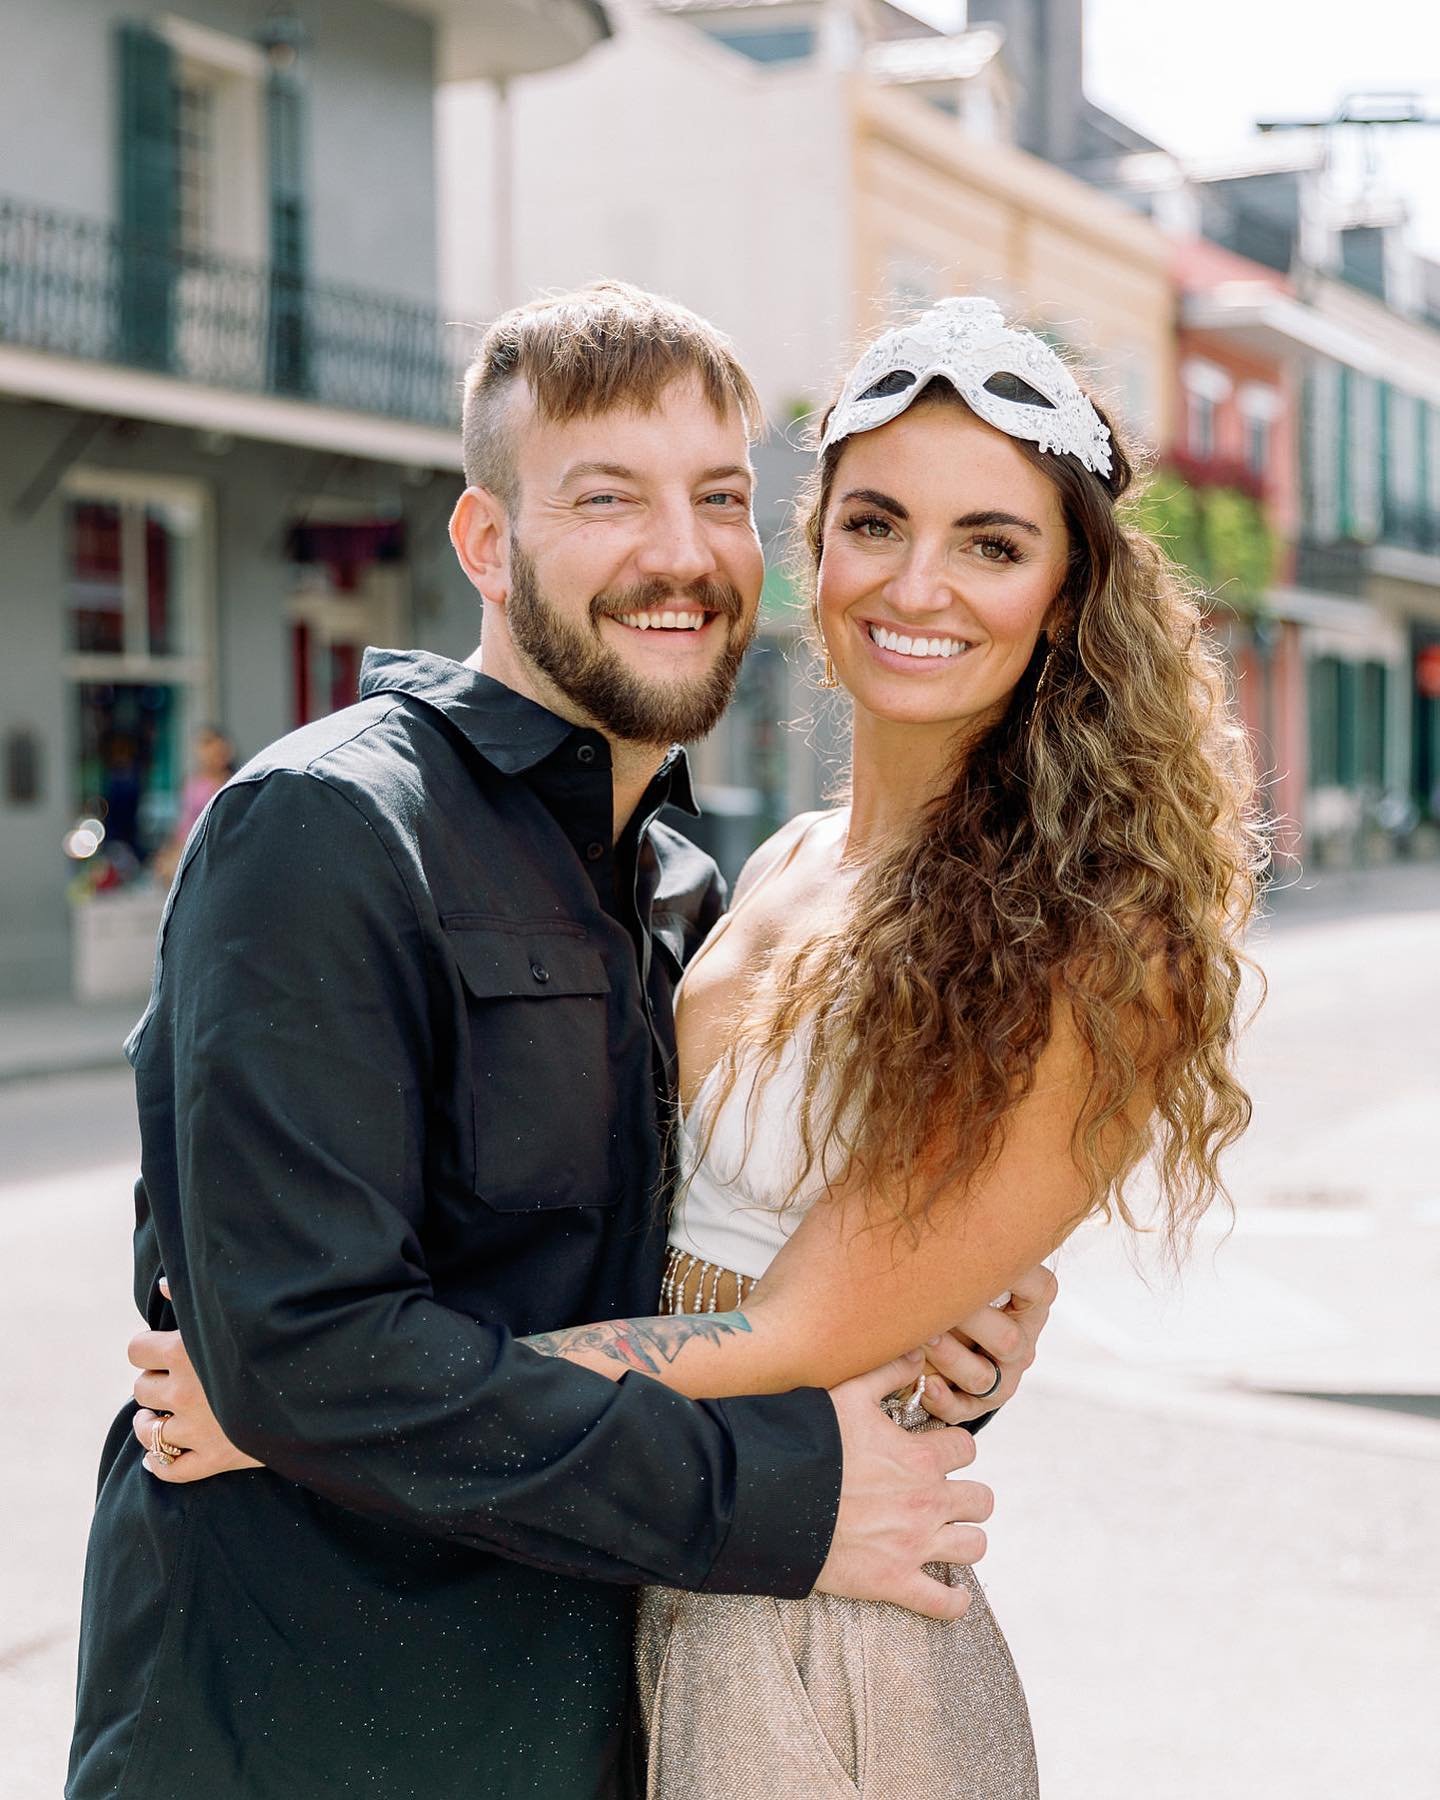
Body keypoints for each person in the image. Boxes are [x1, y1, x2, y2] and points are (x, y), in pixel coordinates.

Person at [125, 296, 1261, 1796]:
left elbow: (797, 1325)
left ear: (1067, 596)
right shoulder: (738, 867)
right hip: (529, 1641)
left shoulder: (1089, 931)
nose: (921, 581)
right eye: (876, 522)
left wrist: (298, 1408)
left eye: (992, 542)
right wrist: (308, 1387)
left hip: (801, 1624)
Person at [151, 724, 237, 884]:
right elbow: (184, 823)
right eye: (204, 747)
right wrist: (171, 849)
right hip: (189, 844)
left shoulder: (231, 783)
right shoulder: (192, 784)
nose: (208, 754)